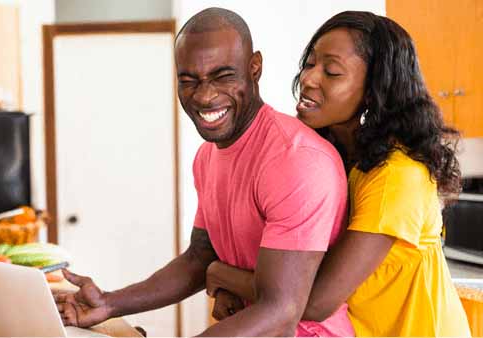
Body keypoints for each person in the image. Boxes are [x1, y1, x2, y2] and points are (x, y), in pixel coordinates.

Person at [53, 7, 355, 337]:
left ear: (254, 68)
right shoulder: (207, 157)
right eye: (188, 81)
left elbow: (280, 311)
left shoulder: (296, 160)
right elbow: (198, 258)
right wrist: (110, 304)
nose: (204, 96)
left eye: (223, 76)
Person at [205, 11, 471, 337]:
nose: (309, 78)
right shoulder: (335, 160)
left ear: (375, 91)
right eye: (310, 63)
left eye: (332, 72)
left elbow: (315, 300)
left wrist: (219, 274)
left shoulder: (397, 178)